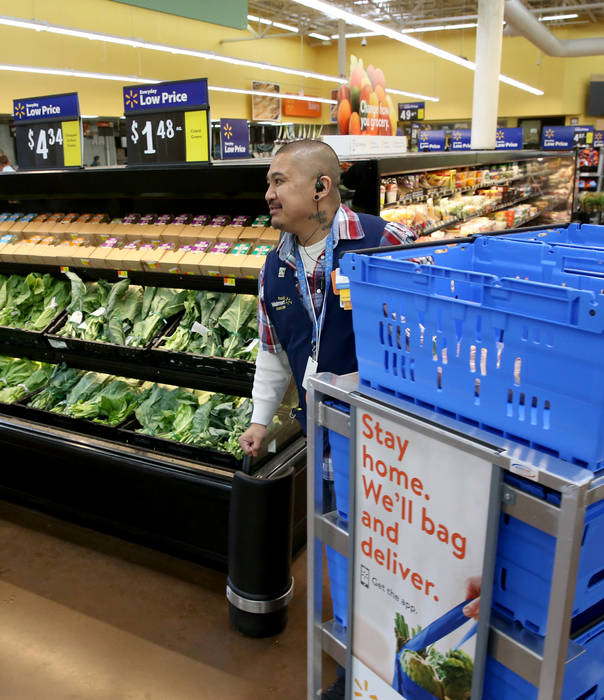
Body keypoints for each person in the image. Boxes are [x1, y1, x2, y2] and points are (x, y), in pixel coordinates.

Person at [238, 140, 416, 700]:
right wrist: (261, 420)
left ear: (322, 188)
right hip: (329, 436)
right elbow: (272, 350)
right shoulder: (275, 268)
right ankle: (354, 667)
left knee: (395, 546)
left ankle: (398, 659)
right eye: (267, 183)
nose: (267, 194)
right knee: (344, 543)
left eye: (278, 181)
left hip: (393, 439)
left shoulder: (381, 242)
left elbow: (427, 327)